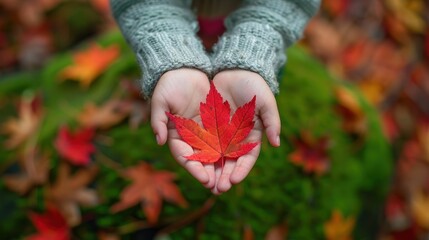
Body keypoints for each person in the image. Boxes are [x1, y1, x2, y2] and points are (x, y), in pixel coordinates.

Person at [109, 0, 320, 195]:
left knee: (265, 75)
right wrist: (171, 57)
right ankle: (169, 80)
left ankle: (258, 76)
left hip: (256, 25)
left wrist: (255, 52)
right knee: (164, 76)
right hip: (167, 19)